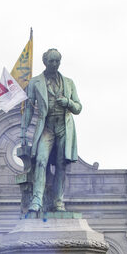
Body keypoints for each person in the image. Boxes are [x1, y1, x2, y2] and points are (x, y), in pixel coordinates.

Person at [20, 48, 82, 215]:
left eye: (57, 61)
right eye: (51, 61)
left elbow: (78, 108)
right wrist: (23, 130)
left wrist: (67, 102)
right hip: (46, 127)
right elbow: (28, 109)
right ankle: (37, 199)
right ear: (45, 62)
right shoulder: (35, 82)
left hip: (64, 127)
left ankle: (58, 201)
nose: (54, 64)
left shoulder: (69, 83)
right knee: (41, 160)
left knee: (61, 165)